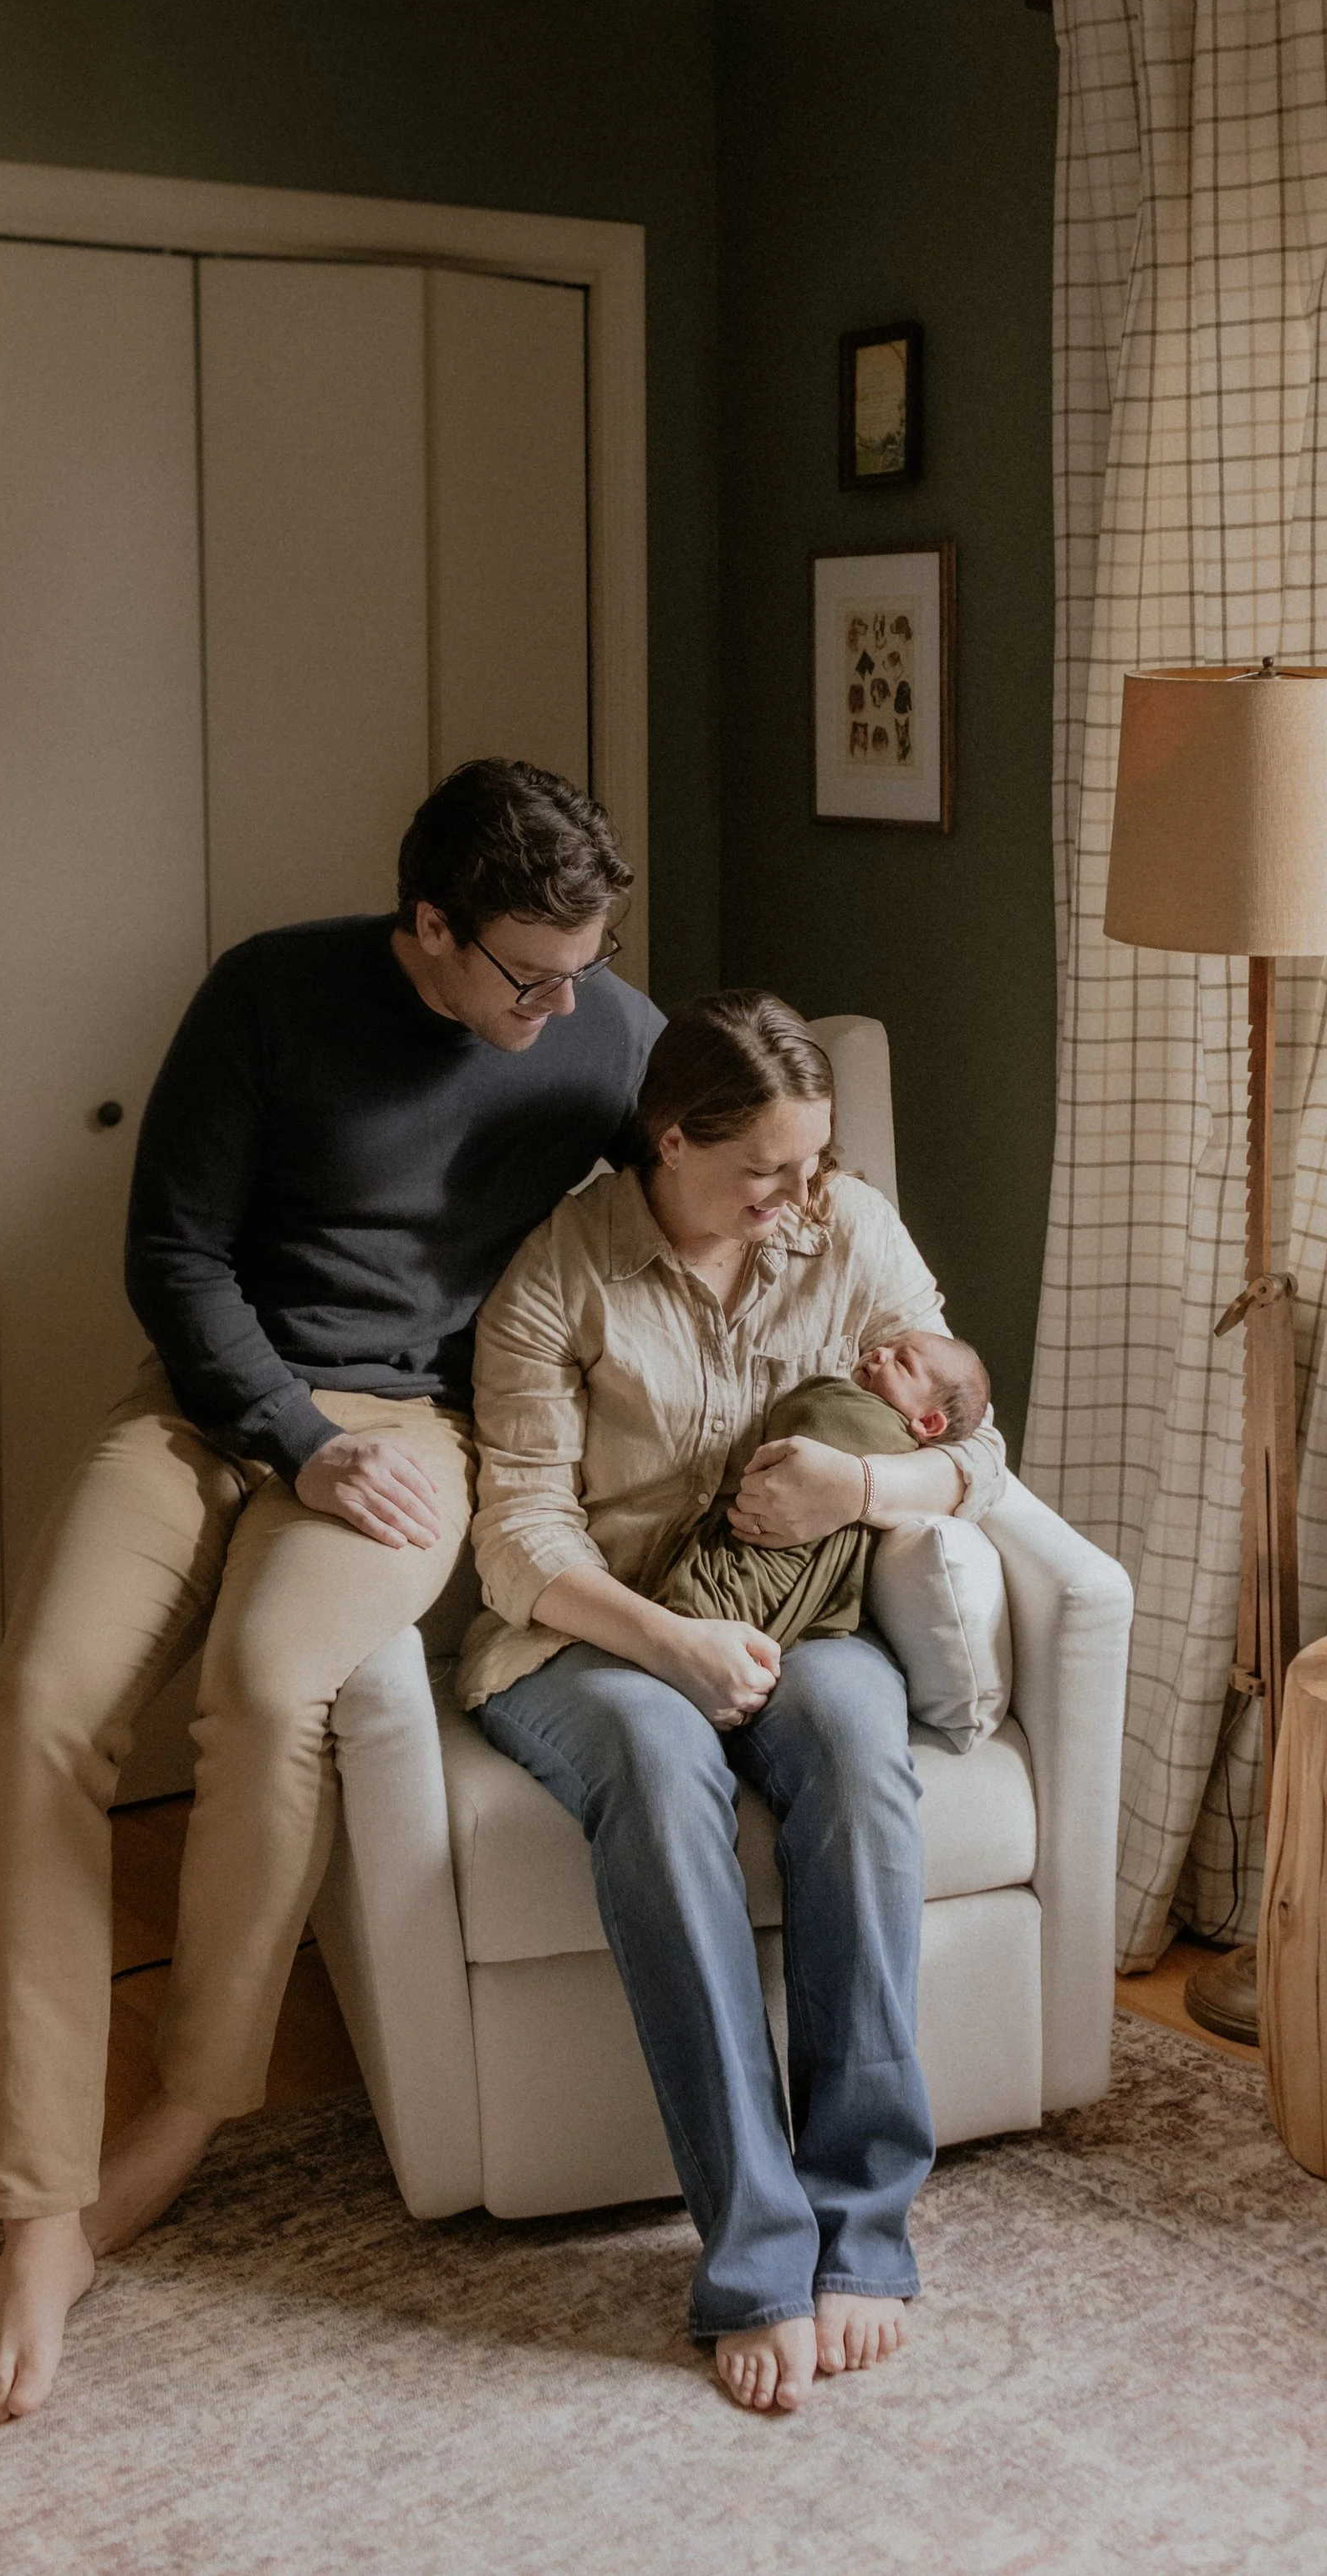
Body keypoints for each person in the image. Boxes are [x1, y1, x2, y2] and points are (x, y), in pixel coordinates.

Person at [0, 759, 660, 2424]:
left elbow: (724, 1190)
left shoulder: (603, 1030)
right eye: (527, 974)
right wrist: (281, 1436)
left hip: (414, 1429)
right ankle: (40, 2208)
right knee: (37, 1713)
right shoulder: (269, 992)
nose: (563, 1008)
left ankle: (185, 2113)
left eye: (584, 966)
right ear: (425, 924)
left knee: (268, 1695)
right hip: (209, 1406)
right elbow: (172, 1253)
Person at [460, 991, 1005, 2416]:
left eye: (811, 1164)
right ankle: (758, 2253)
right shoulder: (560, 1275)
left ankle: (862, 2223)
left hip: (800, 1616)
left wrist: (865, 1486)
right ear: (671, 1140)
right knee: (658, 1765)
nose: (793, 1198)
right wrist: (673, 1646)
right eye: (763, 1170)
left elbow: (977, 1452)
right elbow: (519, 1538)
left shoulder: (850, 1232)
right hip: (594, 1634)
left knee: (852, 1740)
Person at [650, 1331, 991, 1652]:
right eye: (888, 1345)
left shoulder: (879, 1429)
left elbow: (809, 1412)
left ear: (929, 1423)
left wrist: (859, 1485)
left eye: (902, 1362)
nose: (879, 1351)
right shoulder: (871, 1412)